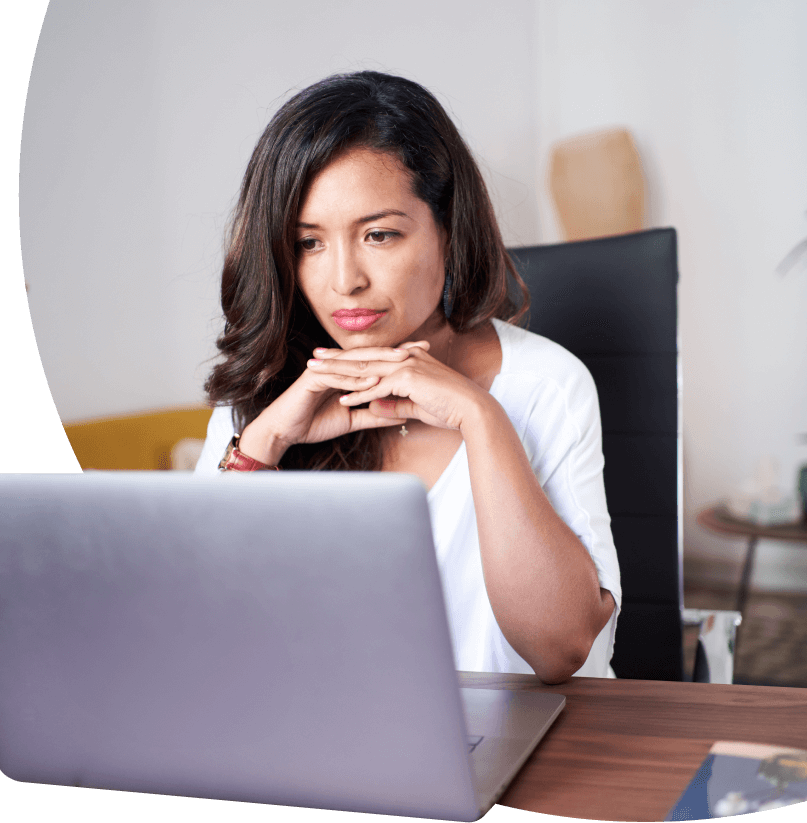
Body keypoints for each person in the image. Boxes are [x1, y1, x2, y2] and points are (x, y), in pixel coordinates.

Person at [194, 71, 620, 684]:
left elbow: (558, 650)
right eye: (309, 243)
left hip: (539, 748)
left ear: (448, 227)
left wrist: (480, 417)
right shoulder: (264, 393)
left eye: (379, 235)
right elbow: (200, 631)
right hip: (335, 754)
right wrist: (264, 444)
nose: (345, 280)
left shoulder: (547, 383)